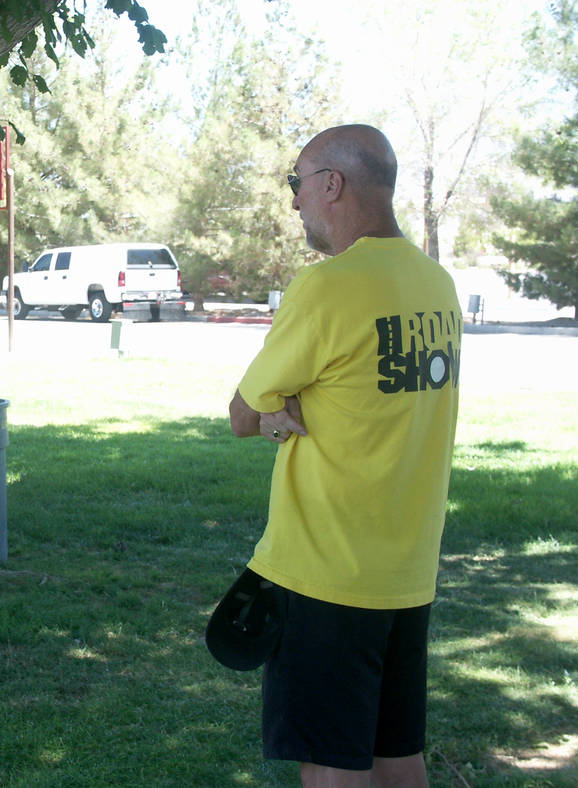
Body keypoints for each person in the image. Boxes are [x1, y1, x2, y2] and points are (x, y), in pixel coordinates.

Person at [228, 124, 461, 787]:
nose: (295, 201)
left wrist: (274, 411)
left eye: (297, 183)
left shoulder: (326, 287)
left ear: (332, 184)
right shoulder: (436, 285)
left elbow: (243, 413)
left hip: (327, 572)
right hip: (407, 571)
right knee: (397, 758)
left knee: (331, 765)